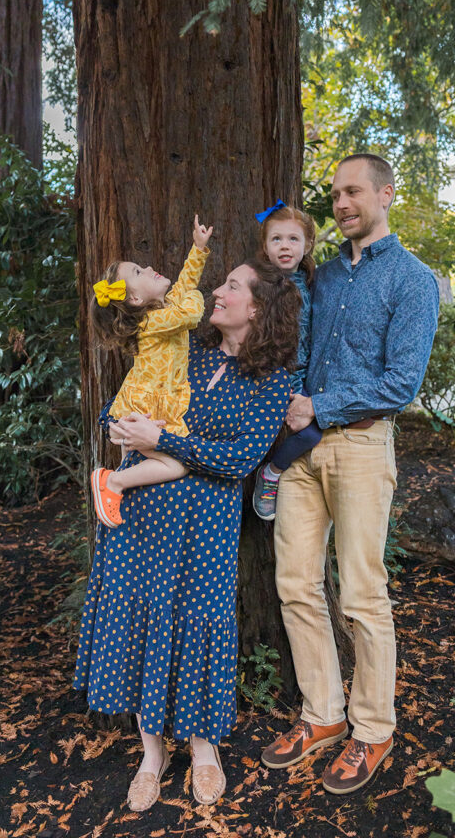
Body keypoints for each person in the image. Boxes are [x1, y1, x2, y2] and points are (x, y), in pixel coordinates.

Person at [73, 258, 300, 812]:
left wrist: (167, 442)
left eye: (231, 287)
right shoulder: (181, 347)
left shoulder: (275, 380)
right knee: (139, 614)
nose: (216, 292)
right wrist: (121, 427)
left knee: (198, 620)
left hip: (205, 525)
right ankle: (152, 753)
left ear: (259, 309)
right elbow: (116, 408)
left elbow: (240, 458)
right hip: (139, 514)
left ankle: (203, 749)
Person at [263, 153, 439, 795]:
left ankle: (373, 728)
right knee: (296, 586)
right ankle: (323, 716)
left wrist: (322, 405)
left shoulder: (414, 281)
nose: (341, 203)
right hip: (301, 453)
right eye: (335, 194)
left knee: (362, 593)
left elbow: (401, 383)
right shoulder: (323, 277)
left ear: (385, 195)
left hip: (362, 448)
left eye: (354, 192)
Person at [88, 214, 213, 528]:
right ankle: (112, 483)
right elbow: (191, 312)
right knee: (175, 465)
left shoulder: (161, 310)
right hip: (144, 408)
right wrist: (197, 296)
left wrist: (198, 250)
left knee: (171, 462)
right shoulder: (151, 322)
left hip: (151, 406)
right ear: (135, 298)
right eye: (138, 271)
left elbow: (184, 285)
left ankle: (115, 485)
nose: (147, 268)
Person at [251, 201, 322, 521]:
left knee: (311, 432)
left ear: (307, 245)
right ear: (265, 248)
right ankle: (265, 475)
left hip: (303, 376)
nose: (285, 246)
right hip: (273, 373)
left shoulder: (310, 282)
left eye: (293, 239)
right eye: (276, 239)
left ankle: (277, 472)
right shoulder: (263, 284)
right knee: (298, 433)